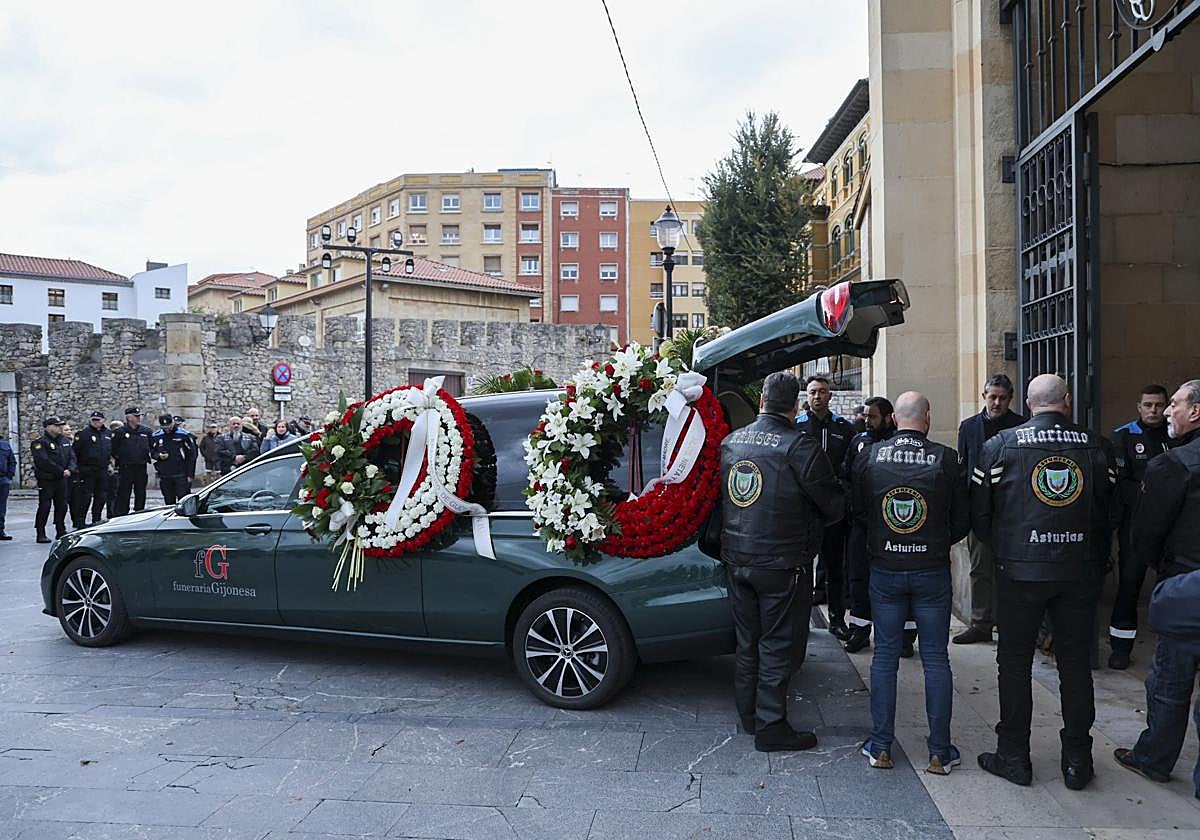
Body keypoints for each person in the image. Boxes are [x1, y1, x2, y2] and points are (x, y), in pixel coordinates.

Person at [971, 374, 1115, 791]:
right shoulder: (1097, 447)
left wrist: (1006, 548)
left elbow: (980, 514)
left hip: (1021, 572)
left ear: (1030, 404)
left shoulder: (1000, 446)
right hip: (1079, 571)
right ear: (1065, 402)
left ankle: (1014, 756)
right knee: (1074, 665)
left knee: (1013, 663)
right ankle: (1077, 760)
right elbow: (1114, 510)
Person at [720, 371, 845, 752]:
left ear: (761, 400)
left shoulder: (731, 442)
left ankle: (749, 716)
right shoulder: (799, 446)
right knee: (776, 644)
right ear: (795, 406)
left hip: (737, 557)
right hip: (781, 561)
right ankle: (771, 726)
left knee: (748, 642)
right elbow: (833, 504)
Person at [853, 392, 970, 774]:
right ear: (928, 417)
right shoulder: (947, 458)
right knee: (936, 658)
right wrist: (934, 540)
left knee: (884, 656)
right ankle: (939, 751)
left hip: (885, 567)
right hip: (930, 568)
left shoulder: (870, 455)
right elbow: (963, 518)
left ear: (895, 419)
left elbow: (859, 511)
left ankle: (881, 745)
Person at [1113, 379, 1200, 798]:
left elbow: (1145, 531)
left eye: (1176, 405)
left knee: (1169, 681)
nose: (1168, 412)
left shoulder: (1174, 464)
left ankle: (1154, 757)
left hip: (1186, 585)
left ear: (1195, 412)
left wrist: (1159, 569)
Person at [954, 373, 1025, 645]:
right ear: (983, 396)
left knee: (1012, 569)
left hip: (1011, 510)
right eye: (992, 397)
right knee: (980, 568)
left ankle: (1011, 623)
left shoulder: (1021, 425)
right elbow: (963, 468)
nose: (996, 402)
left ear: (1011, 399)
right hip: (978, 509)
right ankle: (981, 623)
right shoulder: (969, 426)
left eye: (1002, 398)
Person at [1107, 384, 1174, 669]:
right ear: (1139, 406)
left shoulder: (1178, 436)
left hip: (1172, 529)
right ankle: (1121, 647)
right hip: (1135, 526)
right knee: (1129, 585)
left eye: (1158, 405)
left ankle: (1175, 649)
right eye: (1148, 405)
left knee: (1173, 588)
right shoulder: (1123, 435)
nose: (1153, 410)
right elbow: (1122, 484)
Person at [842, 396, 911, 654]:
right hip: (862, 526)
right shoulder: (858, 441)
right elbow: (845, 476)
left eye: (872, 417)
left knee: (900, 582)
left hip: (893, 527)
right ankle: (860, 631)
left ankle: (904, 636)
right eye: (865, 416)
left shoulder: (898, 445)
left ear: (888, 417)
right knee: (859, 579)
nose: (866, 421)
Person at [796, 375, 854, 640]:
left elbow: (852, 464)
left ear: (830, 396)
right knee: (802, 567)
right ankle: (800, 621)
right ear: (806, 397)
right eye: (812, 392)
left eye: (822, 392)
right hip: (804, 510)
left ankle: (837, 619)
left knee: (834, 567)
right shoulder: (796, 428)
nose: (817, 397)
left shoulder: (844, 428)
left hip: (832, 509)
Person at [32, 416, 77, 543]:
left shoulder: (65, 441)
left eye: (60, 425)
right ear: (48, 427)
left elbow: (72, 457)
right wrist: (61, 471)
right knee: (45, 506)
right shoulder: (40, 443)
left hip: (62, 479)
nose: (60, 428)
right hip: (47, 479)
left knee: (62, 505)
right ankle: (40, 532)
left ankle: (60, 529)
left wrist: (70, 469)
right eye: (56, 425)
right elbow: (43, 461)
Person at [71, 411, 112, 528]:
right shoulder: (83, 434)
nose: (96, 422)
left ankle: (96, 519)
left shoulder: (108, 434)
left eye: (98, 420)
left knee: (101, 496)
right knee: (85, 497)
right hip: (87, 470)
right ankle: (80, 521)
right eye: (93, 420)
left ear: (103, 420)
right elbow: (75, 452)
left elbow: (110, 450)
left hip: (102, 469)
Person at [111, 406, 153, 515]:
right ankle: (122, 514)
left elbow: (152, 447)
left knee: (140, 492)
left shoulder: (146, 431)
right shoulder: (120, 432)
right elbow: (113, 449)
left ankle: (139, 512)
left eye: (139, 416)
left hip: (141, 466)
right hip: (126, 467)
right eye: (136, 416)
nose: (138, 418)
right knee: (124, 492)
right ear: (129, 417)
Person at [151, 413, 197, 505]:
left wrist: (190, 474)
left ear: (173, 423)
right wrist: (159, 456)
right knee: (168, 501)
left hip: (181, 474)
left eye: (169, 427)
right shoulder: (156, 436)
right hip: (165, 474)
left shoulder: (183, 435)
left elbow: (192, 455)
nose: (167, 430)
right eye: (164, 428)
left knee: (183, 501)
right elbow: (152, 451)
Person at [104, 420, 123, 519]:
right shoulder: (109, 439)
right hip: (113, 470)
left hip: (121, 469)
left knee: (118, 494)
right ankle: (112, 514)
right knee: (112, 494)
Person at [0, 431, 14, 540]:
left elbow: (12, 461)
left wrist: (9, 476)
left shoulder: (5, 445)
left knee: (1, 508)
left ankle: (1, 531)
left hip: (3, 479)